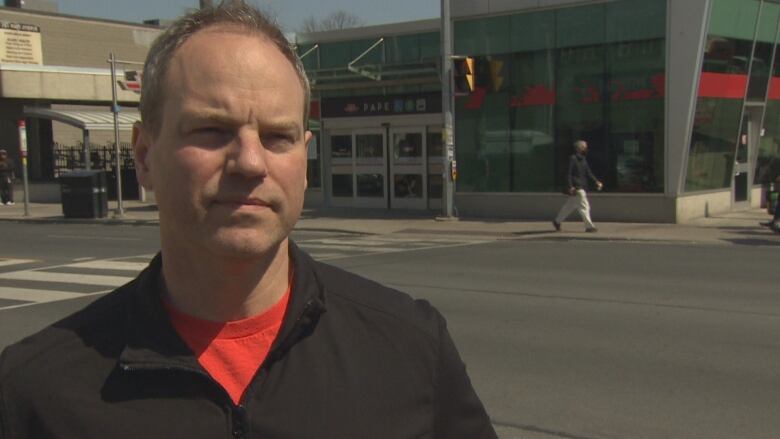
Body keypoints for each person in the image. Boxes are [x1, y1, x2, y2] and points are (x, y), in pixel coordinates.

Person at [0, 2, 497, 438]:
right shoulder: (36, 393)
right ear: (145, 156)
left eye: (278, 136)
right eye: (213, 130)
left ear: (305, 161)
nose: (251, 162)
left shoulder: (410, 348)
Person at [552, 140, 603, 232]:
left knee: (569, 206)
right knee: (585, 206)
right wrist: (570, 186)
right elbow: (568, 173)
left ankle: (557, 221)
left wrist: (596, 181)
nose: (586, 149)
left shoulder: (583, 159)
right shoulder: (572, 158)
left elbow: (588, 172)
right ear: (579, 148)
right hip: (577, 187)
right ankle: (589, 226)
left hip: (581, 186)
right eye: (584, 147)